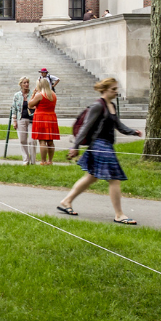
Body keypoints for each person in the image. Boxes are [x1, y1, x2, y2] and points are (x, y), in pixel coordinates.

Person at [58, 77, 142, 224]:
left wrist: (133, 132)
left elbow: (119, 125)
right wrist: (75, 146)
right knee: (114, 179)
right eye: (113, 89)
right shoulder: (98, 105)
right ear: (104, 90)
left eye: (116, 89)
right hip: (99, 146)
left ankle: (66, 201)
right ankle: (119, 214)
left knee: (91, 177)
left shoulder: (112, 106)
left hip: (106, 145)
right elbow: (85, 126)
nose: (116, 92)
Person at [29, 76, 59, 164]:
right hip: (51, 117)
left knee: (42, 141)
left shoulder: (40, 95)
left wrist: (33, 94)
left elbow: (30, 105)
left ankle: (43, 161)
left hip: (41, 117)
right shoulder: (53, 95)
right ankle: (50, 160)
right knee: (50, 141)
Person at [8, 77, 36, 165]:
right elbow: (14, 108)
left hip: (32, 120)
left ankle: (33, 161)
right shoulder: (17, 95)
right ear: (21, 84)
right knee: (22, 140)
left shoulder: (33, 94)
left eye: (27, 82)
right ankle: (25, 160)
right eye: (24, 83)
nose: (26, 84)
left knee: (32, 140)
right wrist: (14, 120)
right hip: (21, 119)